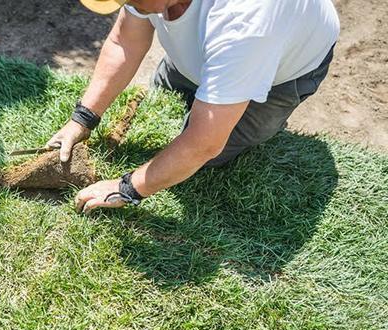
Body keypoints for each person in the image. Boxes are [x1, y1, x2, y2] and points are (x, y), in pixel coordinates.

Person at [46, 0, 339, 213]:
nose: (128, 4)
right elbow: (126, 40)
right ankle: (215, 81)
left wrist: (126, 188)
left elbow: (204, 144)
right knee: (165, 108)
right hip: (217, 49)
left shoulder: (244, 21)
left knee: (210, 155)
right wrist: (81, 119)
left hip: (284, 75)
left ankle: (248, 101)